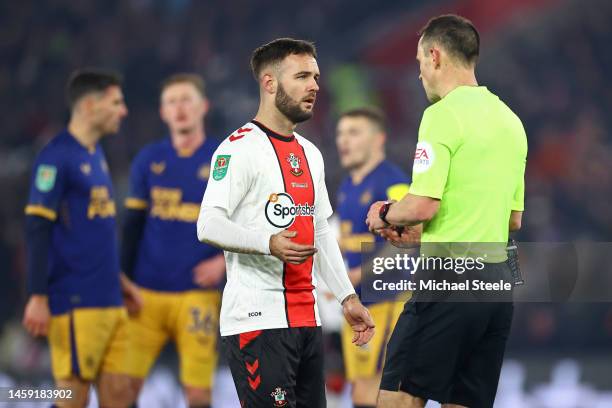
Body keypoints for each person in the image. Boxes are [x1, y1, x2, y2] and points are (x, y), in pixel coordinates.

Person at [197, 38, 375, 407]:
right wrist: (268, 242)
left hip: (307, 320)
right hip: (257, 320)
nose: (314, 86)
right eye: (302, 76)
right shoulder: (238, 148)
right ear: (269, 82)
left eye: (316, 77)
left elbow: (321, 230)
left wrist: (347, 297)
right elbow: (208, 224)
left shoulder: (310, 153)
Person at [366, 14, 527, 408]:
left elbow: (422, 203)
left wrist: (385, 214)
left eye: (419, 62)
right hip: (496, 289)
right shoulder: (511, 121)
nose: (419, 74)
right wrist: (426, 235)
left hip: (447, 283)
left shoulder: (441, 115)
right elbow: (511, 219)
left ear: (435, 56)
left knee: (397, 399)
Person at [22, 68, 139, 408]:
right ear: (90, 105)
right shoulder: (56, 155)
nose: (124, 110)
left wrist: (120, 281)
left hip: (110, 301)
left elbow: (90, 234)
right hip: (76, 305)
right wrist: (37, 296)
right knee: (71, 400)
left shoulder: (95, 155)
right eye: (116, 102)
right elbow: (37, 227)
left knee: (120, 397)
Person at [119, 73, 225, 408]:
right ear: (163, 112)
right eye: (171, 102)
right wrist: (122, 281)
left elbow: (250, 224)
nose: (179, 108)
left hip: (197, 295)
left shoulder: (225, 160)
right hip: (145, 294)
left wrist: (223, 261)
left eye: (186, 100)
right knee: (121, 390)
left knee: (197, 394)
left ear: (203, 106)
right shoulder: (149, 160)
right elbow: (132, 227)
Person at [335, 107, 411, 408]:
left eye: (354, 132)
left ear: (378, 139)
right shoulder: (345, 187)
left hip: (390, 301)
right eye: (341, 133)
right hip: (358, 305)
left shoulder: (393, 181)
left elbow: (408, 239)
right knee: (361, 393)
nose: (344, 141)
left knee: (380, 392)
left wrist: (358, 275)